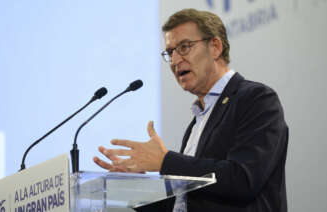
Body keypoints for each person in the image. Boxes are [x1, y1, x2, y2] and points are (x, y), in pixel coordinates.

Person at [93, 8, 288, 212]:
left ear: (215, 46)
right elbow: (183, 204)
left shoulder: (256, 99)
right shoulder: (197, 123)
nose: (175, 61)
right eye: (170, 52)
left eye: (184, 47)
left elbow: (243, 178)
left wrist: (165, 161)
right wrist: (138, 186)